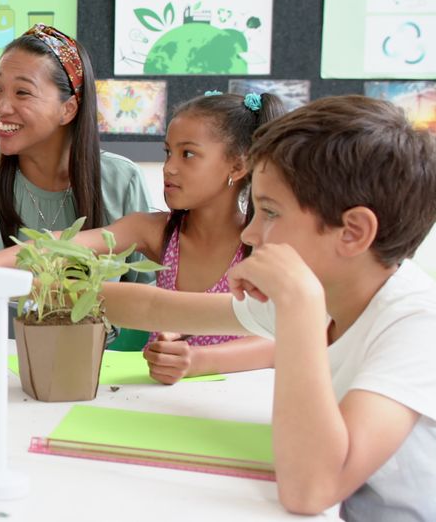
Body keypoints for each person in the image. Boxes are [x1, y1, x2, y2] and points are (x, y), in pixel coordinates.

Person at [97, 95, 436, 519]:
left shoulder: (415, 323)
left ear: (352, 232)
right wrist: (36, 286)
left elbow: (311, 491)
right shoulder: (325, 290)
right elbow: (154, 307)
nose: (253, 234)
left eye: (271, 213)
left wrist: (300, 311)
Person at [0, 91, 286, 383]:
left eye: (187, 154)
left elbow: (282, 340)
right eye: (167, 153)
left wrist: (198, 361)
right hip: (154, 401)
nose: (169, 168)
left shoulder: (265, 247)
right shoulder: (155, 230)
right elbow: (63, 243)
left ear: (239, 165)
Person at [0, 24, 153, 335]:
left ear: (68, 108)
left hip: (91, 374)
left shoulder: (122, 182)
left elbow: (150, 304)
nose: (1, 108)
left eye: (22, 92)